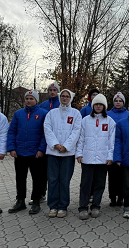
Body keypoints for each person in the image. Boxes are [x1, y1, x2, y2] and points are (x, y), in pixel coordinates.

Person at [7, 90, 48, 215]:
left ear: (36, 100)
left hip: (35, 154)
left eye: (31, 98)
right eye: (27, 98)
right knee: (20, 178)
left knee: (38, 178)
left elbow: (45, 134)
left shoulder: (43, 114)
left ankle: (36, 201)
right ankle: (20, 201)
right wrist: (12, 148)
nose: (29, 100)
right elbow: (12, 132)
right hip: (20, 153)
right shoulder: (18, 114)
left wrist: (41, 149)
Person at [76, 94, 116, 220]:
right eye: (96, 104)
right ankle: (83, 207)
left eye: (101, 104)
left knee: (99, 184)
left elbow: (112, 141)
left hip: (102, 159)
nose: (98, 106)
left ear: (104, 106)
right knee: (85, 184)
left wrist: (110, 156)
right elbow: (80, 139)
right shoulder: (85, 120)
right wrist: (79, 153)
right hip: (87, 158)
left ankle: (95, 206)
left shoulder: (110, 121)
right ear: (93, 106)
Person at [44, 89, 82, 218]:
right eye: (63, 96)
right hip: (53, 152)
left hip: (67, 154)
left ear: (70, 98)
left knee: (64, 180)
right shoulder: (51, 113)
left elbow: (76, 131)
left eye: (67, 96)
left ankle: (63, 206)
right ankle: (53, 206)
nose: (65, 98)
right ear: (60, 98)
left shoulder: (76, 114)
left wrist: (66, 146)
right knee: (53, 179)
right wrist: (55, 144)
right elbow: (47, 129)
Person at [37, 82, 61, 205]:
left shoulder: (61, 104)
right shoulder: (43, 105)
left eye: (54, 90)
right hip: (43, 142)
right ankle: (41, 194)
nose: (52, 92)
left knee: (55, 173)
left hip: (57, 144)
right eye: (50, 90)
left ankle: (56, 195)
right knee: (41, 172)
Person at [107, 92, 129, 206]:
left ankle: (121, 197)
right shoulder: (107, 114)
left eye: (120, 101)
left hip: (124, 149)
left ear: (123, 102)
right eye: (116, 101)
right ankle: (112, 197)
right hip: (111, 148)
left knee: (123, 175)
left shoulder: (128, 114)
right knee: (112, 175)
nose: (118, 102)